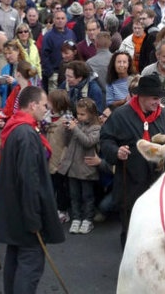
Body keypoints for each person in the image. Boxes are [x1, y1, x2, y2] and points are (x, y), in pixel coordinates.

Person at [0, 85, 63, 294]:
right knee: (30, 265)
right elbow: (30, 181)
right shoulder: (27, 134)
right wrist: (34, 219)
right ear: (32, 105)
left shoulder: (15, 127)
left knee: (14, 258)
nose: (46, 110)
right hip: (25, 213)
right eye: (43, 106)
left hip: (13, 209)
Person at [100, 74, 165, 244]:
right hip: (130, 182)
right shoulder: (121, 115)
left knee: (157, 230)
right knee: (130, 231)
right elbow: (105, 138)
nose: (158, 102)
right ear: (141, 96)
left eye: (159, 98)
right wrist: (115, 151)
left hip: (157, 184)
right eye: (154, 98)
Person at [54, 97, 103, 235]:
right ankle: (76, 218)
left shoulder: (97, 128)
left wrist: (75, 129)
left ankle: (87, 219)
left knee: (87, 196)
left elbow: (88, 142)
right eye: (78, 114)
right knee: (74, 195)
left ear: (92, 114)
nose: (79, 117)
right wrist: (67, 130)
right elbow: (67, 141)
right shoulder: (78, 126)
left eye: (82, 114)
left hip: (86, 168)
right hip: (73, 167)